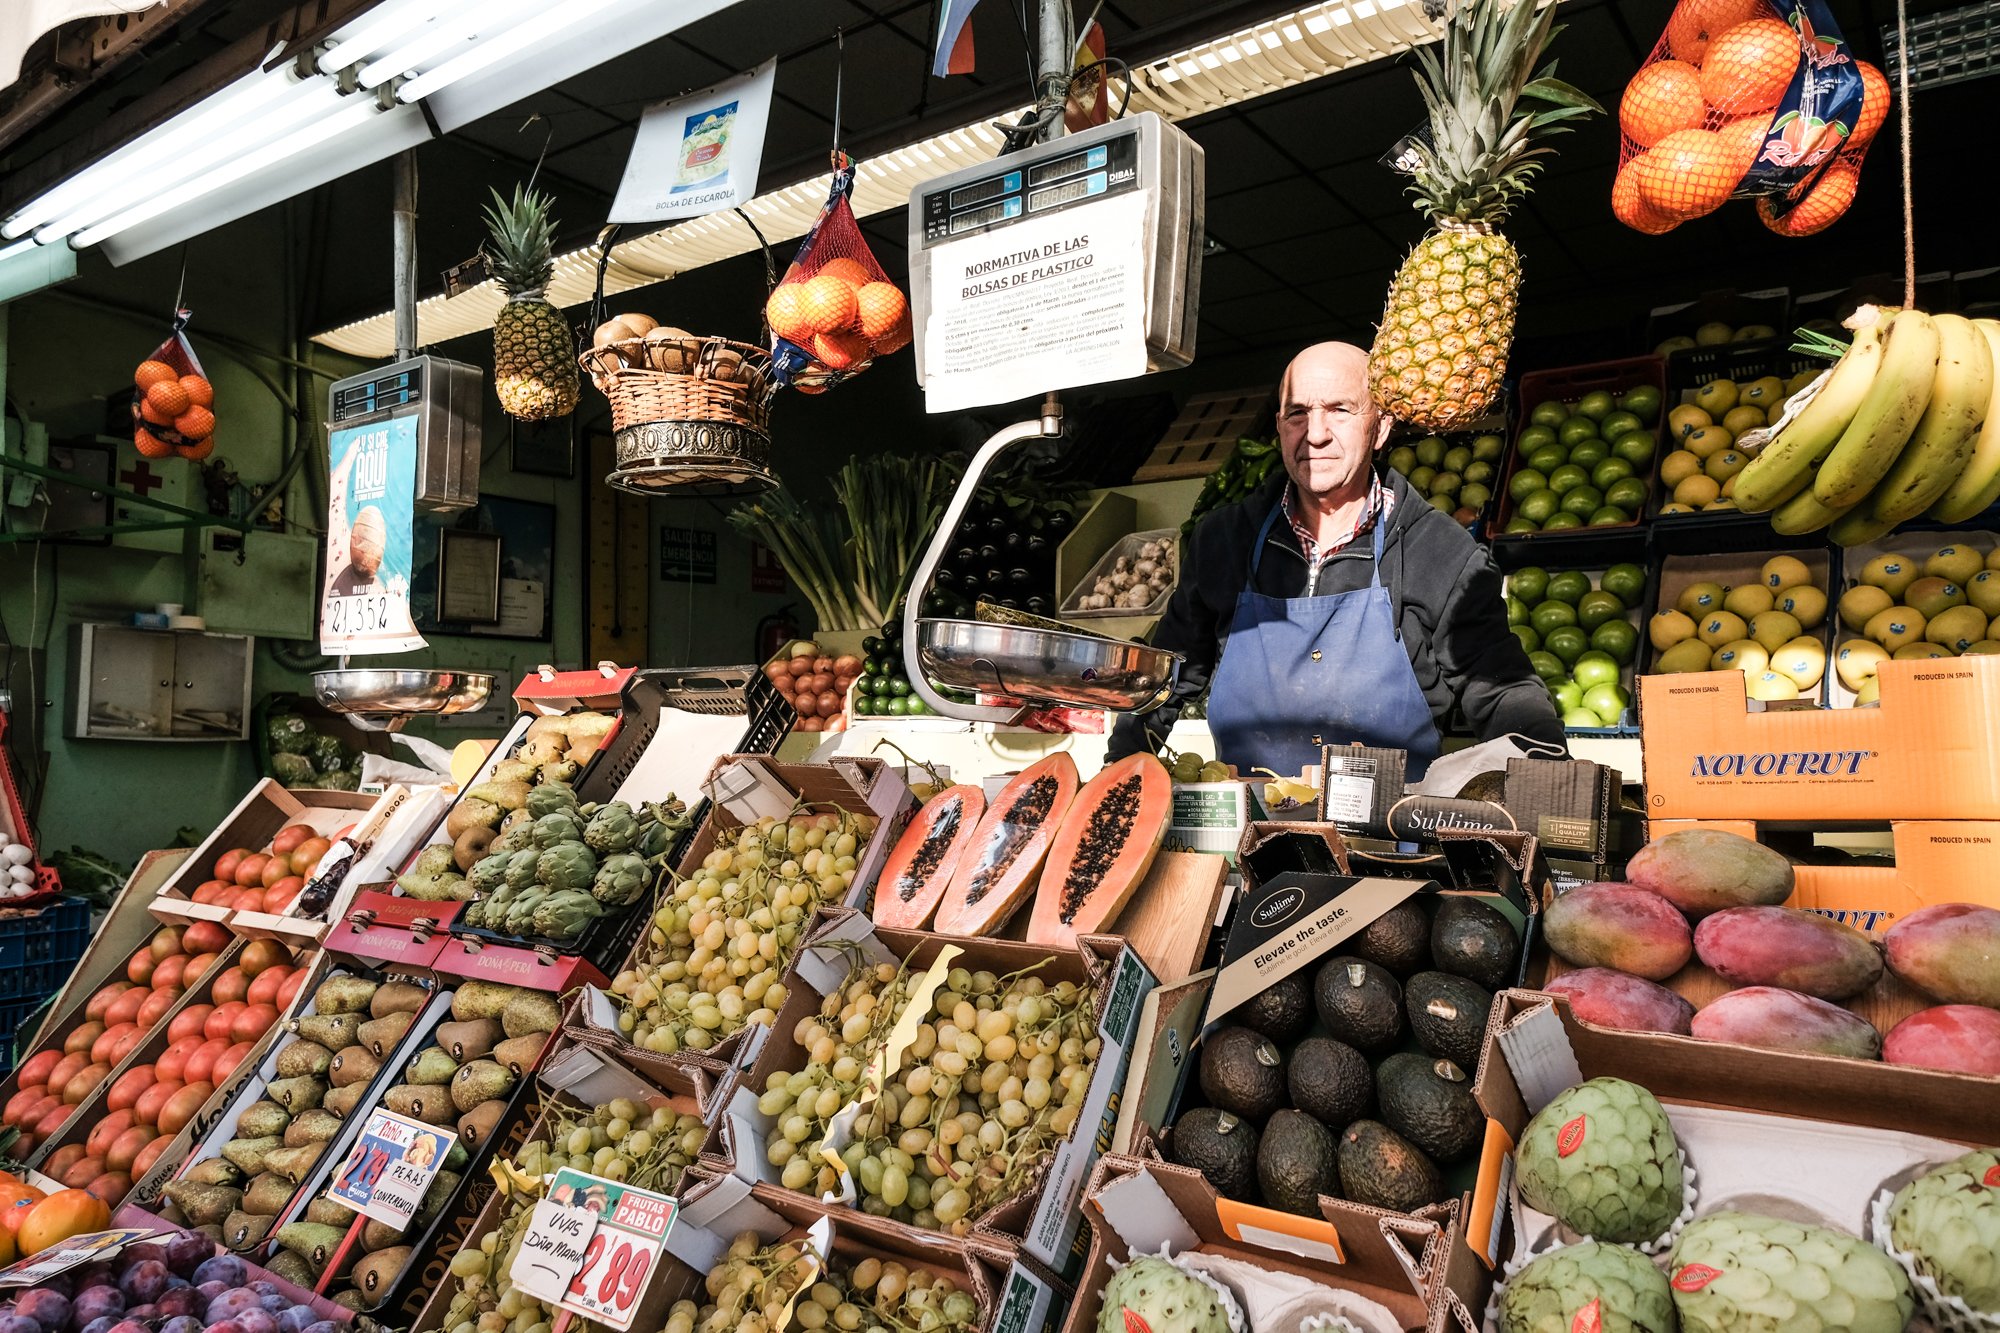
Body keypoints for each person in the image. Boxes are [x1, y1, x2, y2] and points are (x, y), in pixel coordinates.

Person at [1107, 341, 1563, 779]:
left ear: (1381, 427)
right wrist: (1118, 771)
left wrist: (1550, 778)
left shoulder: (1440, 551)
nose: (1316, 434)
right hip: (1247, 833)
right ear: (1279, 428)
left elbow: (1501, 687)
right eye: (1297, 414)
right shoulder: (1224, 539)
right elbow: (1166, 675)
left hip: (1389, 841)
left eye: (1340, 410)